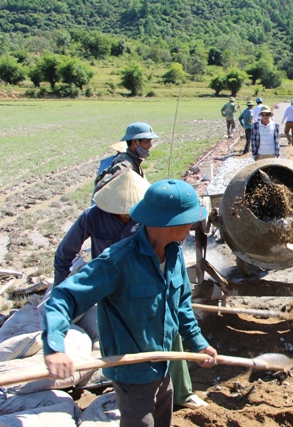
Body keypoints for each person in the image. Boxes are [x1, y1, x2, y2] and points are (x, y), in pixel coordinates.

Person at [43, 179, 218, 426]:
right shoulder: (118, 261)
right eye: (189, 220)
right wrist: (55, 346)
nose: (192, 226)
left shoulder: (174, 254)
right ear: (171, 223)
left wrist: (198, 343)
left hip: (164, 366)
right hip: (133, 375)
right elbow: (64, 297)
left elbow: (181, 306)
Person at [54, 170, 148, 287]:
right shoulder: (93, 216)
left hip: (139, 282)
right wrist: (59, 290)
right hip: (105, 281)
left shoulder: (149, 216)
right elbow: (65, 252)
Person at [95, 122, 158, 192]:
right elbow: (101, 189)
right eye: (147, 142)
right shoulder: (125, 166)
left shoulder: (134, 160)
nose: (150, 145)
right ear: (135, 142)